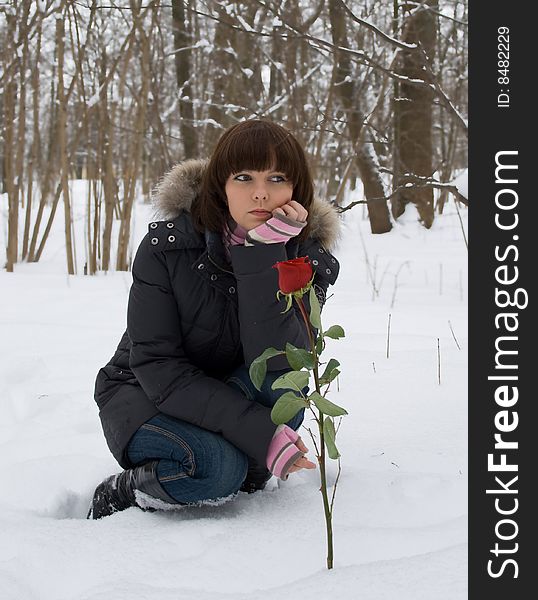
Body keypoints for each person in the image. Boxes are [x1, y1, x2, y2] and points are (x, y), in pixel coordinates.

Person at [88, 119, 340, 519]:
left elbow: (279, 362)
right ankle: (127, 491)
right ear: (220, 185)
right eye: (243, 177)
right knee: (216, 469)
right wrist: (260, 433)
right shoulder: (168, 248)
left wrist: (263, 255)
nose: (260, 193)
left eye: (277, 177)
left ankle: (239, 463)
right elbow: (158, 367)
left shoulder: (307, 261)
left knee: (283, 399)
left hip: (228, 391)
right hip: (144, 393)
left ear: (297, 190)